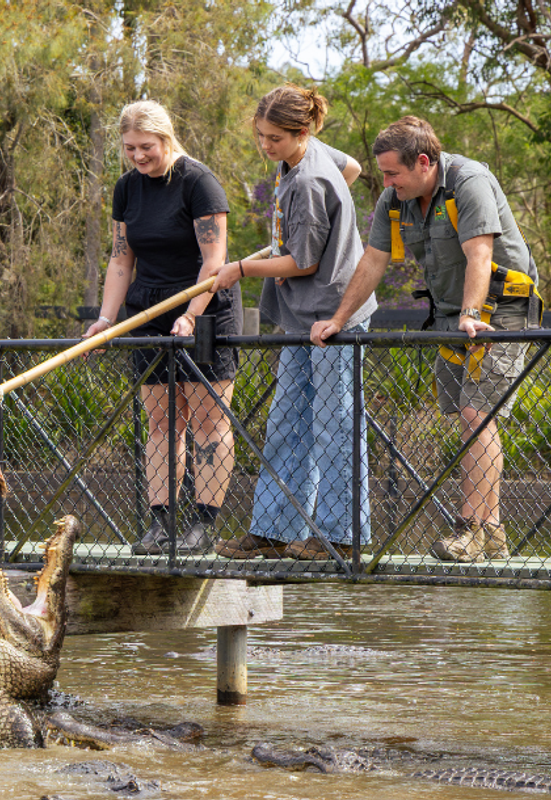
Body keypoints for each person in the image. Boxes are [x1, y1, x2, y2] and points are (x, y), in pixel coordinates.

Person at [311, 116, 541, 563]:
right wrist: (337, 318)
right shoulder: (395, 199)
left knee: (478, 413)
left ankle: (470, 529)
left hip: (500, 310)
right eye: (383, 173)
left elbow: (481, 253)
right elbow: (373, 261)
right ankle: (492, 531)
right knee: (466, 415)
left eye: (393, 172)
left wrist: (473, 316)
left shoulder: (469, 182)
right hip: (451, 315)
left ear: (423, 162)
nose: (387, 181)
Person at [208, 83, 377, 560]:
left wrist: (239, 269)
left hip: (334, 315)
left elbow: (301, 263)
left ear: (302, 132)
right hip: (299, 316)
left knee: (334, 425)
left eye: (276, 139)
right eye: (261, 136)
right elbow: (353, 168)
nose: (266, 147)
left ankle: (341, 537)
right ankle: (274, 530)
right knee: (286, 421)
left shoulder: (307, 181)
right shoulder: (308, 157)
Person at [84, 100, 241, 556]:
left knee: (209, 421)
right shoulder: (126, 189)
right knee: (161, 421)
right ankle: (160, 523)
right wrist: (107, 320)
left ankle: (203, 524)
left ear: (166, 139)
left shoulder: (198, 182)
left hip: (203, 307)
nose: (137, 156)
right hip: (148, 311)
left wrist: (191, 314)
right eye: (130, 148)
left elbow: (214, 263)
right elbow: (121, 258)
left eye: (146, 147)